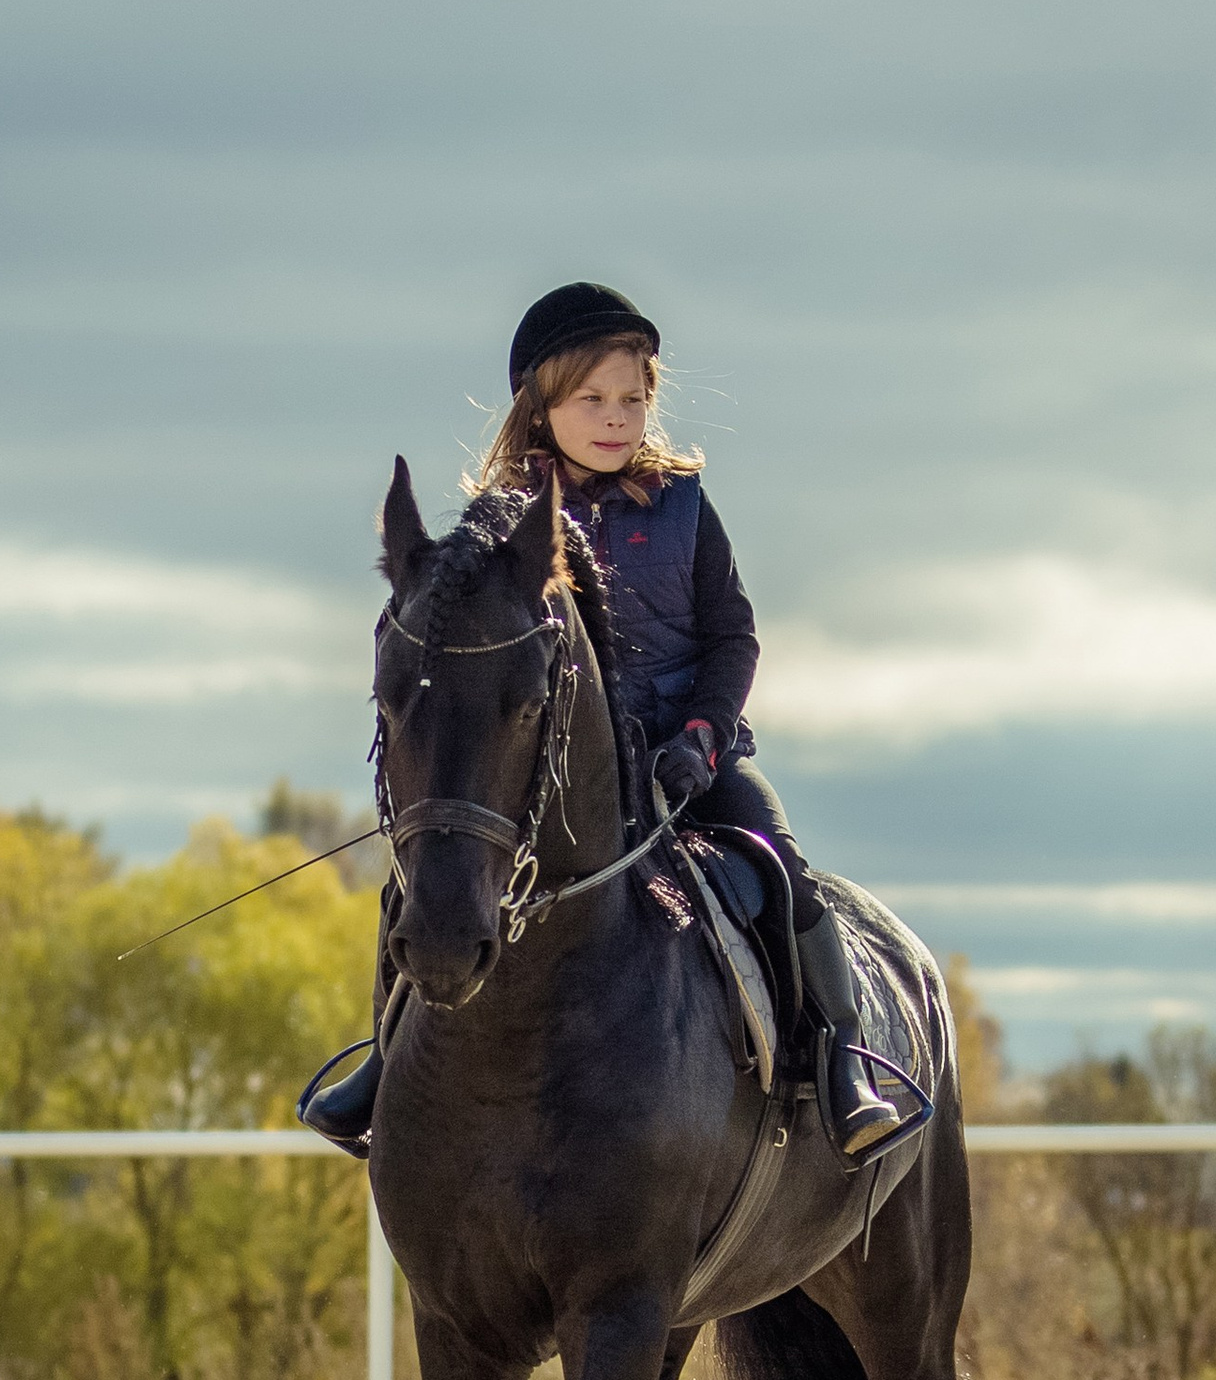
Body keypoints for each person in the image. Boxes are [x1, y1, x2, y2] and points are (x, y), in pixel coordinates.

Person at [304, 280, 905, 1164]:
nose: (616, 417)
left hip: (689, 760)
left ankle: (839, 1065)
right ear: (539, 405)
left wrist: (701, 738)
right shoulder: (504, 523)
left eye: (632, 398)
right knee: (418, 886)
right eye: (593, 399)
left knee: (783, 873)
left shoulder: (684, 509)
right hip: (565, 772)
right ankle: (385, 1063)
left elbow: (733, 635)